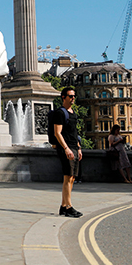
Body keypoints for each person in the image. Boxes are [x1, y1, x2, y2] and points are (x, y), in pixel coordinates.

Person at [51, 87, 82, 218]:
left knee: (72, 177)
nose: (73, 98)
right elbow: (57, 133)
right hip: (66, 148)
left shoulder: (73, 112)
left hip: (74, 147)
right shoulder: (60, 113)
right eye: (70, 96)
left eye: (74, 96)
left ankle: (63, 206)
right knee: (67, 177)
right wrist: (66, 148)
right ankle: (69, 207)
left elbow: (75, 133)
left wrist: (79, 148)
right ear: (63, 97)